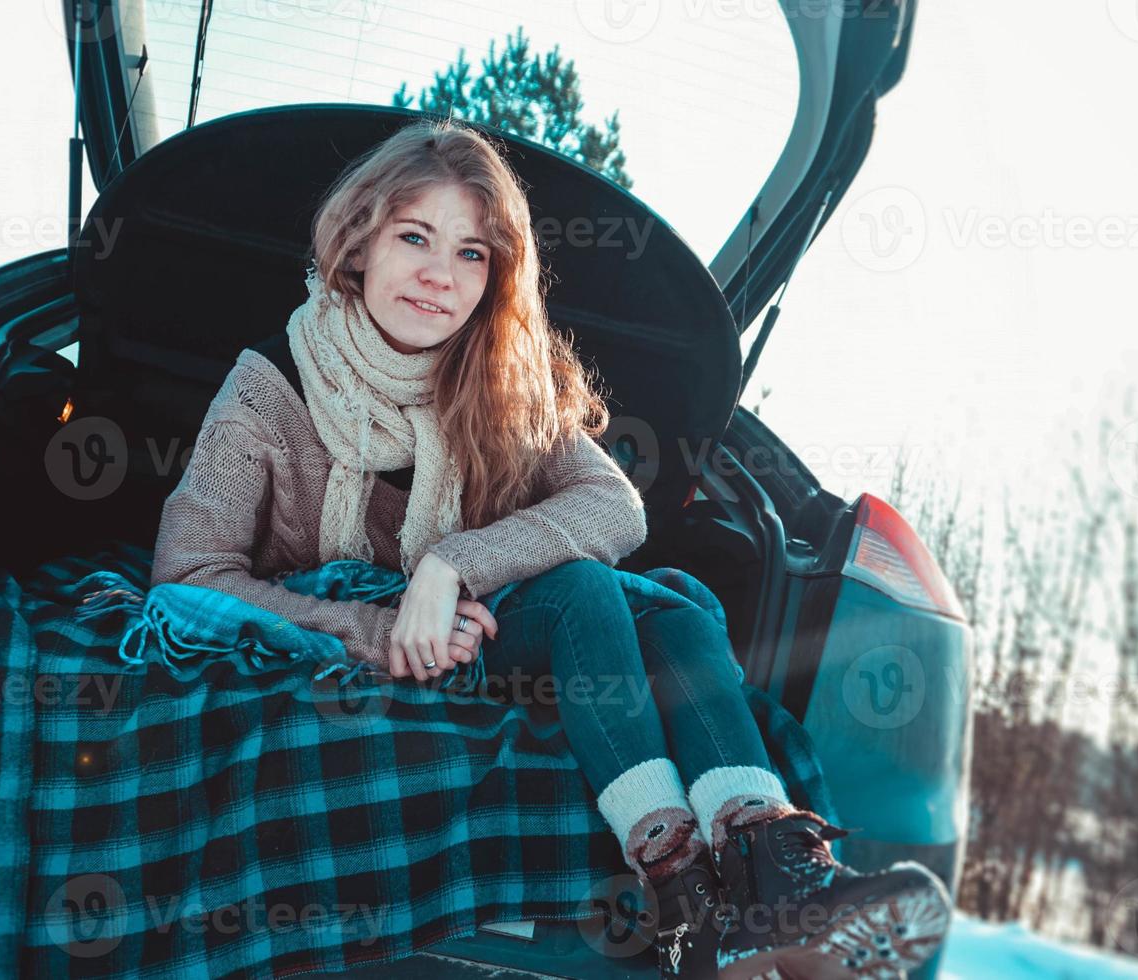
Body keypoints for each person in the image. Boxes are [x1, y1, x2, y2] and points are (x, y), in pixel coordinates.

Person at [150, 117, 952, 979]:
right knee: (595, 594)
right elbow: (186, 581)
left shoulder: (499, 382)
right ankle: (681, 885)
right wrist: (373, 629)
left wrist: (449, 563)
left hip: (477, 622)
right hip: (360, 626)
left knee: (667, 607)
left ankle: (765, 882)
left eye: (471, 254)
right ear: (356, 244)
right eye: (415, 236)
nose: (438, 275)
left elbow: (615, 504)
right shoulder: (266, 388)